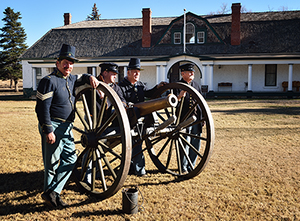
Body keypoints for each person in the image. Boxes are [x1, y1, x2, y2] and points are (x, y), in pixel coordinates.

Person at [36, 44, 99, 208]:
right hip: (53, 126)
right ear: (57, 63)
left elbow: (82, 78)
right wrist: (48, 130)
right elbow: (42, 108)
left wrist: (90, 77)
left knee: (71, 159)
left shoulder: (71, 78)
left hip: (67, 127)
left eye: (71, 63)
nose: (68, 65)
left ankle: (53, 192)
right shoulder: (48, 81)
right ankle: (51, 196)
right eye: (65, 62)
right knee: (51, 164)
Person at [118, 58, 166, 176]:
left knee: (137, 143)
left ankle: (131, 168)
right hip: (128, 120)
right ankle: (137, 169)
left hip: (141, 120)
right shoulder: (121, 86)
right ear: (128, 72)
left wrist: (158, 87)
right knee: (135, 144)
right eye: (134, 71)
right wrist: (128, 105)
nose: (137, 74)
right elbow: (121, 100)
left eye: (138, 72)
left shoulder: (140, 85)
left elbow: (148, 93)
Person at [176, 63, 203, 173]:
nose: (192, 73)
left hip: (196, 119)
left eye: (193, 72)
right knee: (185, 143)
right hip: (184, 119)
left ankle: (191, 165)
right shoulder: (177, 86)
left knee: (195, 143)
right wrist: (179, 96)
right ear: (183, 73)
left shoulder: (196, 85)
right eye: (189, 72)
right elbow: (173, 103)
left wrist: (203, 119)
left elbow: (202, 104)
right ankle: (183, 166)